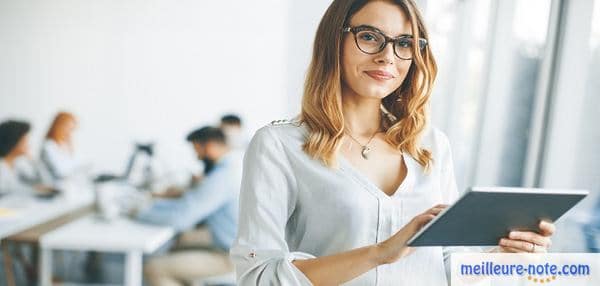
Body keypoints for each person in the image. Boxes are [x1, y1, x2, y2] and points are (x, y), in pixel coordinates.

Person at [230, 1, 556, 285]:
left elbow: (446, 268)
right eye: (370, 37)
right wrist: (379, 254)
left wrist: (503, 255)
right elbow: (259, 277)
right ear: (335, 40)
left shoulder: (431, 146)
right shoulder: (279, 146)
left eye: (404, 43)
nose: (388, 56)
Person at [133, 126, 243, 286]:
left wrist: (140, 212)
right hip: (232, 246)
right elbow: (190, 205)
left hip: (230, 257)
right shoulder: (231, 167)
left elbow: (181, 218)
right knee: (177, 244)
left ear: (210, 146)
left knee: (154, 268)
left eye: (197, 150)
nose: (197, 157)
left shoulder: (223, 177)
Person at [0, 120, 53, 195]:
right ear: (13, 141)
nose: (28, 143)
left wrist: (34, 161)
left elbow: (43, 183)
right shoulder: (2, 168)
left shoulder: (16, 166)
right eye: (25, 140)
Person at [40, 111, 86, 181]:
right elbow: (60, 172)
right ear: (59, 126)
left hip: (72, 185)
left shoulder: (67, 145)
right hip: (56, 186)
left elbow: (80, 163)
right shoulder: (48, 146)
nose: (70, 132)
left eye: (72, 129)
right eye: (68, 127)